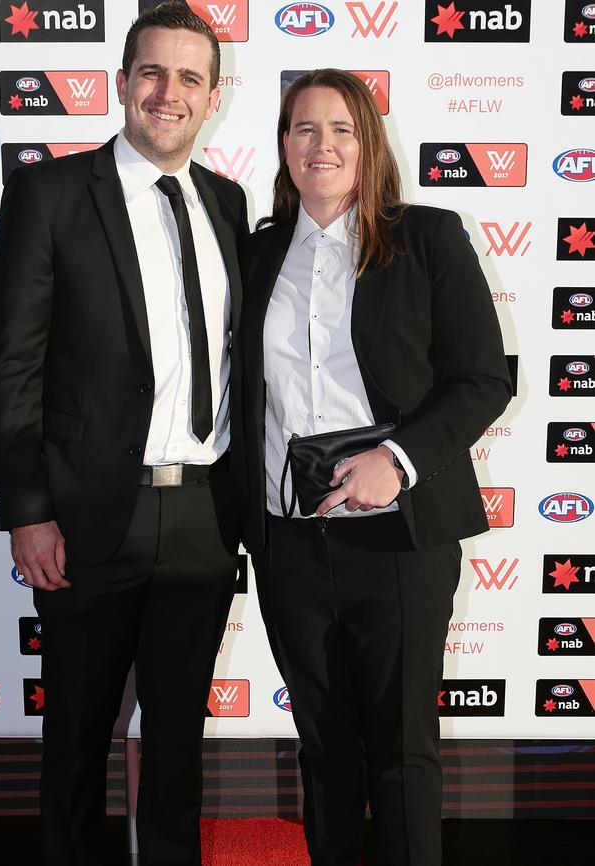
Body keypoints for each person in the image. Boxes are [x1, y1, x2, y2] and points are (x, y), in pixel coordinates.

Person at [0, 4, 248, 865]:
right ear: (123, 82)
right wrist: (27, 510)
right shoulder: (53, 193)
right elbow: (14, 364)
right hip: (89, 519)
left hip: (205, 519)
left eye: (189, 78)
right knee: (74, 745)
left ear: (214, 97)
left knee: (175, 750)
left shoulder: (228, 201)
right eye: (152, 73)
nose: (167, 93)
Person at [239, 69, 512, 866]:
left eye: (341, 129)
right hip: (290, 543)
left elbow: (484, 379)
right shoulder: (256, 254)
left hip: (402, 539)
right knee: (323, 748)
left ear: (369, 143)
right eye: (303, 129)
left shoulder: (426, 237)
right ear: (284, 144)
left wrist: (397, 460)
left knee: (402, 750)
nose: (321, 146)